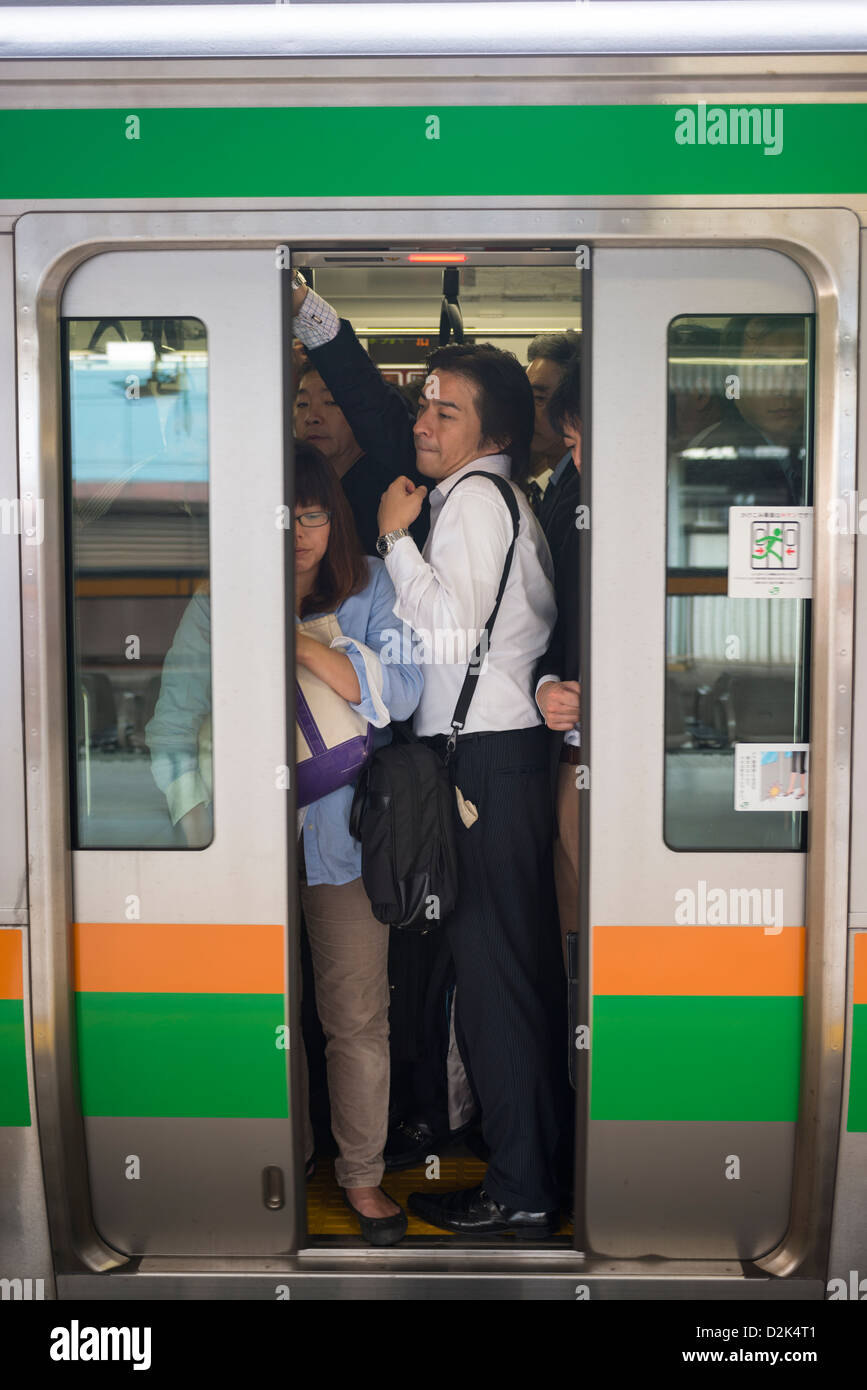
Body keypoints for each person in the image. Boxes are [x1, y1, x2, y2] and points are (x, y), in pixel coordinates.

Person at [375, 341, 569, 1237]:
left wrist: (390, 540)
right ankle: (531, 1167)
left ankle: (522, 1189)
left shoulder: (472, 504)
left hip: (485, 768)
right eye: (422, 406)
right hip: (502, 761)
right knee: (509, 980)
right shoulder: (497, 499)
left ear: (489, 431)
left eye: (443, 410)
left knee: (495, 987)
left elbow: (449, 638)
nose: (422, 422)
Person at [293, 441, 424, 1245]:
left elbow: (401, 693)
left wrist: (303, 644)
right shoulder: (224, 595)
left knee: (354, 1016)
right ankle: (286, 1154)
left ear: (333, 518)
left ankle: (363, 1177)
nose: (300, 531)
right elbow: (174, 723)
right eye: (286, 516)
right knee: (263, 1012)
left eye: (312, 514)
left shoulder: (370, 589)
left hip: (344, 841)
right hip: (238, 853)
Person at [291, 273, 429, 554]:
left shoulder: (392, 480)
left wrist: (298, 299)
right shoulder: (293, 486)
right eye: (302, 404)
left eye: (331, 403)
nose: (312, 417)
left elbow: (366, 397)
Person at [534, 356, 583, 960]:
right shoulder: (570, 499)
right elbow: (556, 620)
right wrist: (548, 683)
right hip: (576, 743)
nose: (576, 462)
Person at [524, 330, 581, 508]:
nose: (527, 411)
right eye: (526, 398)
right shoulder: (556, 480)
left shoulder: (581, 489)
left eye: (539, 399)